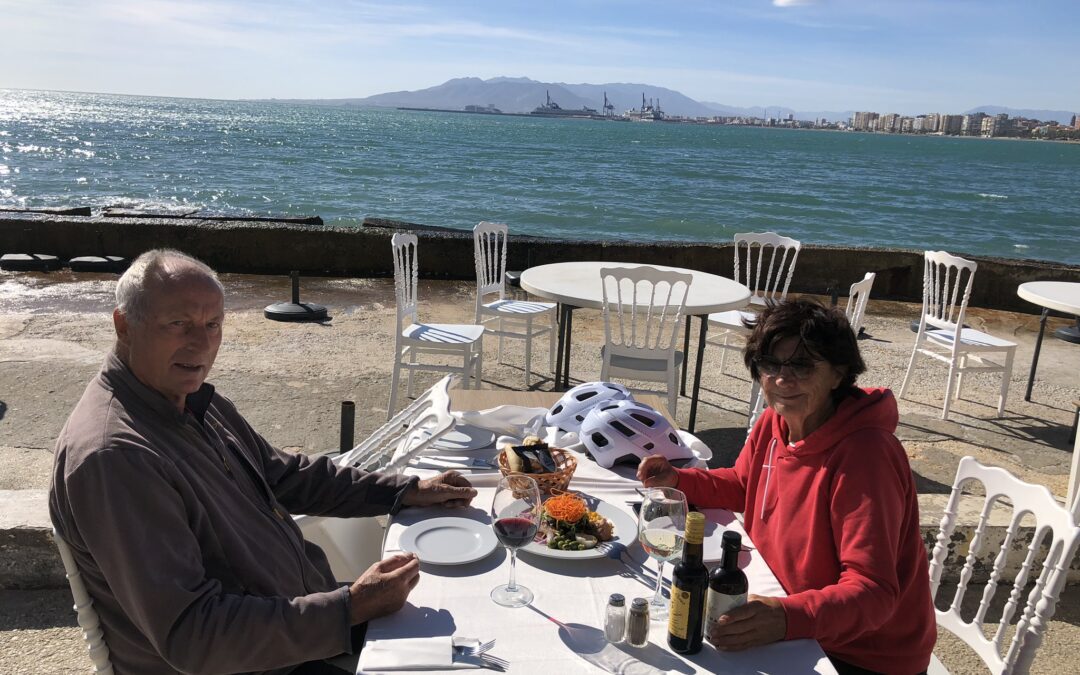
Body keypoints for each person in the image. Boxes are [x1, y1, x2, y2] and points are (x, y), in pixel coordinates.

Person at [50, 249, 478, 675]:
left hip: (299, 625)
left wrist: (404, 490)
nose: (200, 343)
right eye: (178, 324)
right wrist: (350, 608)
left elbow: (286, 476)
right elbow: (193, 636)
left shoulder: (189, 400)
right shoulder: (117, 458)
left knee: (471, 627)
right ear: (124, 325)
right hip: (259, 660)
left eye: (212, 324)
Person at [638, 298, 935, 675]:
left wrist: (786, 618)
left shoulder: (866, 456)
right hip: (787, 609)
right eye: (770, 364)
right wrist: (679, 480)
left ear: (839, 373)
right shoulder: (774, 424)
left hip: (862, 655)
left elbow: (873, 593)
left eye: (802, 365)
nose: (781, 379)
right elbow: (745, 485)